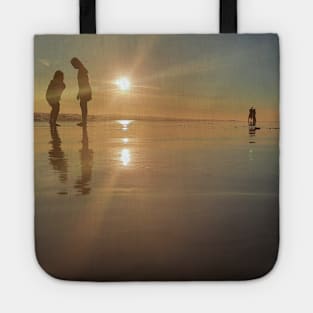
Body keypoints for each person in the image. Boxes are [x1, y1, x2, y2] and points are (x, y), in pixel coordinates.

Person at [71, 57, 92, 127]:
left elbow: (83, 83)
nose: (73, 66)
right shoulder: (82, 70)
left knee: (83, 105)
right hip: (85, 89)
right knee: (83, 105)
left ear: (76, 63)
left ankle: (84, 122)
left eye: (73, 65)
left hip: (84, 90)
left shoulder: (81, 70)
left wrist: (80, 92)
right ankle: (84, 121)